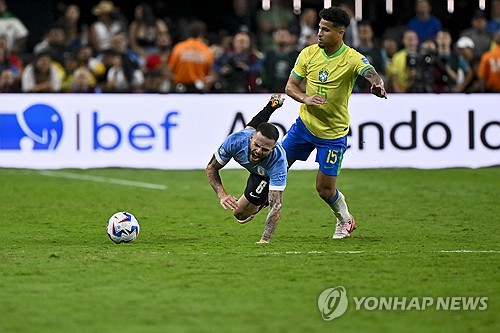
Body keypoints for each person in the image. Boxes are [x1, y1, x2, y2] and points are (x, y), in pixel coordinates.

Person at [283, 7, 386, 239]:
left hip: (332, 134)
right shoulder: (308, 54)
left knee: (324, 189)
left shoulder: (352, 58)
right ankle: (254, 204)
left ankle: (345, 219)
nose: (319, 33)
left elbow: (370, 72)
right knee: (275, 166)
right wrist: (306, 98)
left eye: (325, 30)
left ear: (340, 33)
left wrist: (377, 84)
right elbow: (290, 86)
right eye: (319, 27)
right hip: (304, 127)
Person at [205, 94, 287, 244]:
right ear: (251, 138)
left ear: (273, 148)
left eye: (265, 149)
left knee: (241, 214)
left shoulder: (278, 161)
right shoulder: (237, 140)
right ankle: (271, 106)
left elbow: (277, 205)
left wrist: (265, 240)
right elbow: (211, 168)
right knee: (238, 215)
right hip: (254, 162)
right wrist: (222, 195)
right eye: (256, 145)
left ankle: (262, 201)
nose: (258, 151)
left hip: (265, 175)